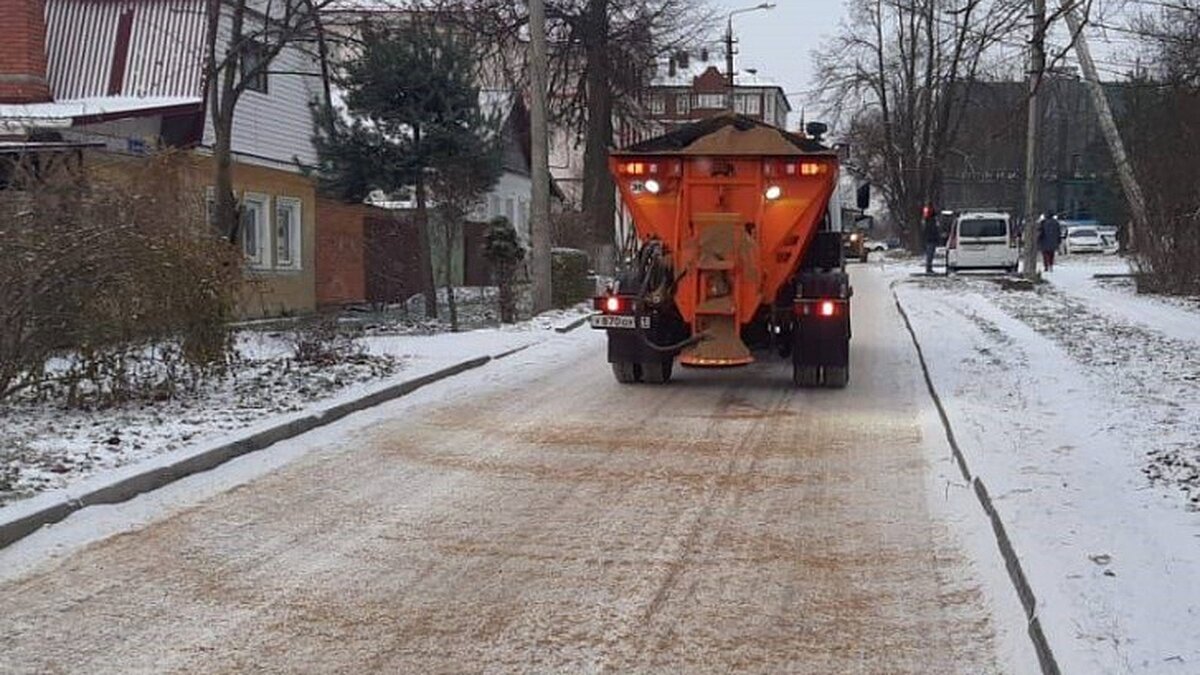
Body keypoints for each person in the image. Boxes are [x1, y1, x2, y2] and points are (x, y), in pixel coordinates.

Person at [921, 204, 939, 274]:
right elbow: (933, 231)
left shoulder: (928, 221)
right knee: (930, 255)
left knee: (930, 255)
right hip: (930, 240)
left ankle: (929, 268)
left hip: (930, 240)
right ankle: (929, 268)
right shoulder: (931, 222)